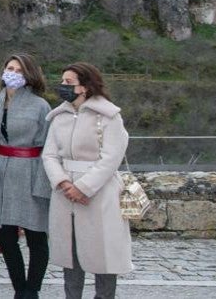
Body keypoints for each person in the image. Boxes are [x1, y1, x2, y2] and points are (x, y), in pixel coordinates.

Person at [41, 63, 131, 299]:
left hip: (100, 193)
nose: (63, 86)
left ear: (85, 86)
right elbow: (49, 154)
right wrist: (61, 182)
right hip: (64, 192)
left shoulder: (109, 116)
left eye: (68, 82)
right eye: (63, 81)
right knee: (70, 253)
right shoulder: (59, 116)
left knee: (103, 252)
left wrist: (83, 187)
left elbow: (111, 157)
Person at [0, 55, 51, 299]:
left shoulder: (41, 106)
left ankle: (32, 290)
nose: (12, 73)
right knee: (6, 235)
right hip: (0, 171)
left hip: (30, 170)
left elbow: (48, 147)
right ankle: (19, 288)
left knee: (36, 234)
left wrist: (43, 184)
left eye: (18, 70)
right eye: (9, 68)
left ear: (29, 75)